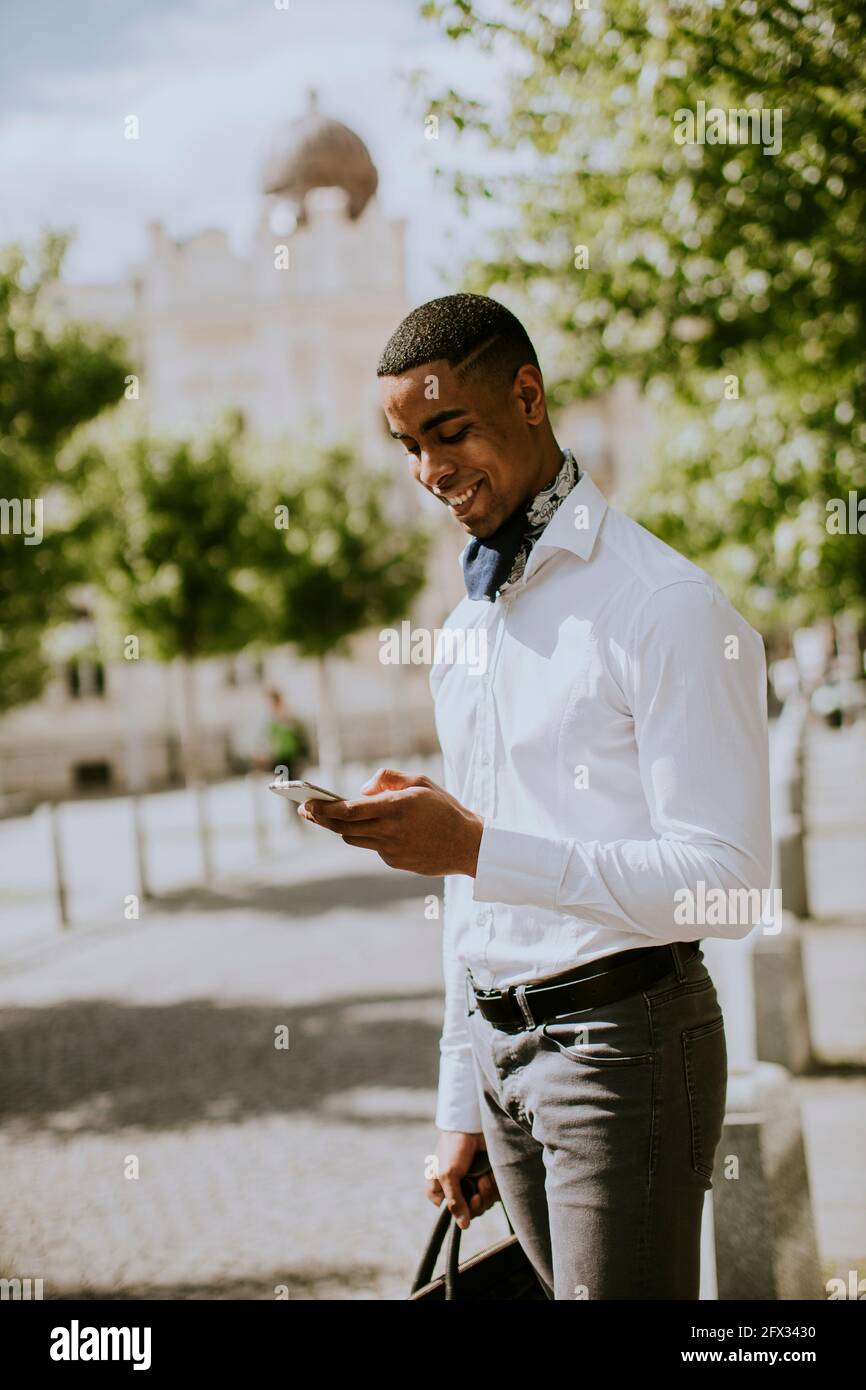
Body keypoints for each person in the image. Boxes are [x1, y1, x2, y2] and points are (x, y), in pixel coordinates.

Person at [300, 293, 772, 1300]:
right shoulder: (467, 624)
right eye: (405, 446)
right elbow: (472, 904)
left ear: (526, 396)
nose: (428, 472)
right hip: (499, 1055)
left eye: (447, 432)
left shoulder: (667, 607)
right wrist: (461, 1092)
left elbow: (727, 888)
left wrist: (474, 843)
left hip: (625, 1049)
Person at [258, 689, 310, 783]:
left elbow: (298, 734)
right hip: (280, 758)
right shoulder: (271, 720)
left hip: (292, 756)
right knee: (284, 784)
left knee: (294, 783)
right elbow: (269, 739)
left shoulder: (288, 716)